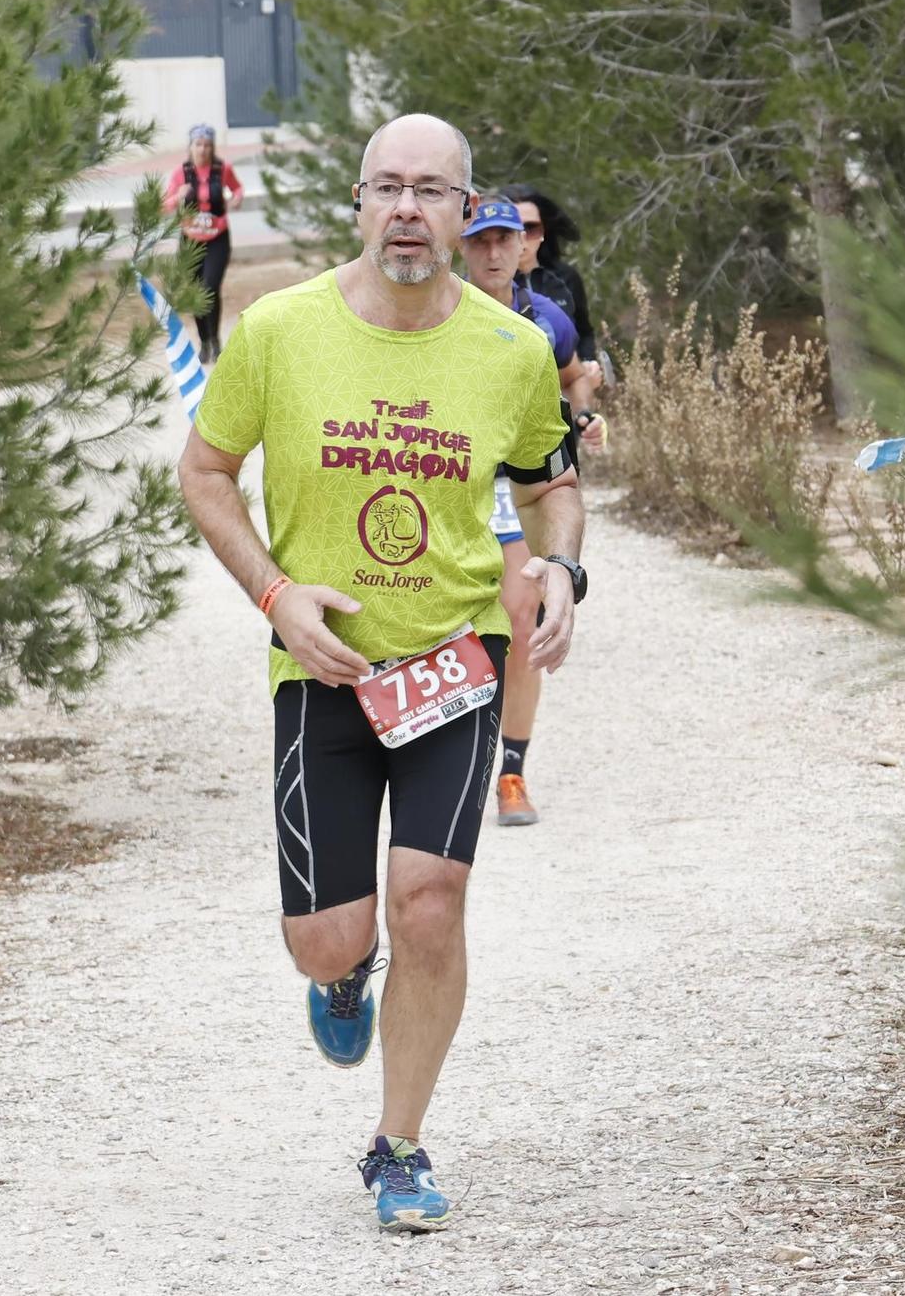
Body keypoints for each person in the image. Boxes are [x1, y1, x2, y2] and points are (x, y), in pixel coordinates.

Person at [176, 114, 589, 1233]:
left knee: (433, 901)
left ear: (468, 215)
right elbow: (205, 472)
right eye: (387, 188)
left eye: (433, 192)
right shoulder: (276, 331)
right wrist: (275, 594)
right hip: (323, 670)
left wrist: (558, 568)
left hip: (456, 662)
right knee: (330, 933)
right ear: (357, 204)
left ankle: (397, 1144)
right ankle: (340, 973)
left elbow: (551, 483)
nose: (408, 209)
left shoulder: (509, 351)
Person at [458, 198, 606, 827]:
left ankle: (511, 773)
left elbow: (575, 376)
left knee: (522, 624)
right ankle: (445, 759)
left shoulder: (546, 319)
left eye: (506, 240)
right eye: (481, 241)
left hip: (524, 490)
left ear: (525, 246)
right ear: (462, 246)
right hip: (451, 485)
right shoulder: (436, 312)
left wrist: (585, 417)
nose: (495, 253)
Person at [503, 183, 603, 388]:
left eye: (531, 228)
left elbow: (584, 331)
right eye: (512, 229)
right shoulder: (488, 283)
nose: (522, 238)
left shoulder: (566, 277)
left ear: (543, 232)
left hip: (566, 394)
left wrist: (589, 362)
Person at [162, 123, 245, 363]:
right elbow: (165, 205)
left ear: (213, 147)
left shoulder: (222, 169)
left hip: (217, 238)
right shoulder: (180, 173)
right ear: (190, 147)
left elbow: (237, 189)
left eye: (208, 145)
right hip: (190, 241)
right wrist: (178, 196)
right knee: (195, 293)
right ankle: (204, 341)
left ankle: (215, 338)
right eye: (198, 144)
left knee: (210, 288)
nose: (203, 150)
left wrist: (236, 199)